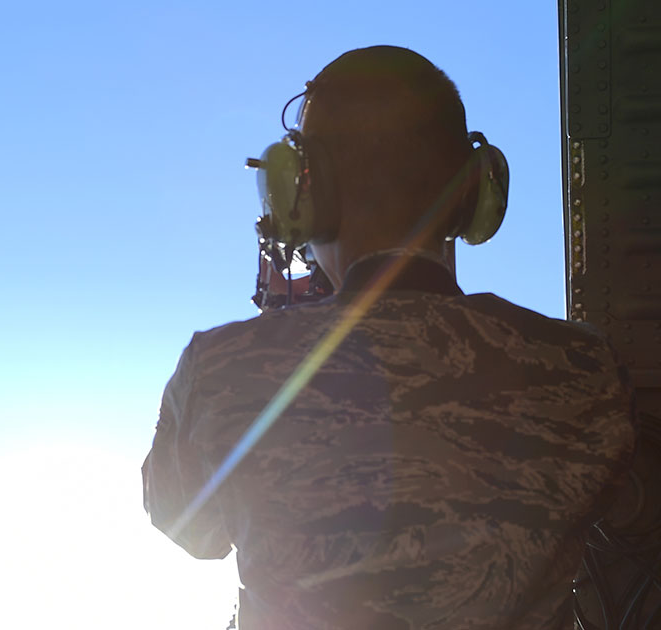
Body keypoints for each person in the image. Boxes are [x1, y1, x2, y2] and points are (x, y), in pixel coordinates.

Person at [142, 46, 636, 629]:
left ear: (304, 196)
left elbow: (190, 528)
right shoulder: (583, 368)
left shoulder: (221, 367)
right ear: (475, 191)